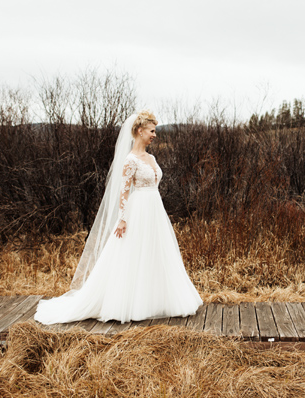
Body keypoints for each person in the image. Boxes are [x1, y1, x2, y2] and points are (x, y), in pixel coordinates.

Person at [35, 110, 202, 325]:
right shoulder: (130, 160)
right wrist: (122, 219)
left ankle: (154, 299)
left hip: (154, 209)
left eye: (155, 131)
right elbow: (123, 192)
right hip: (138, 209)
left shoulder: (151, 157)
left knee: (155, 251)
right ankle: (129, 302)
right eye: (152, 131)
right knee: (132, 253)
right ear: (140, 131)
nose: (154, 135)